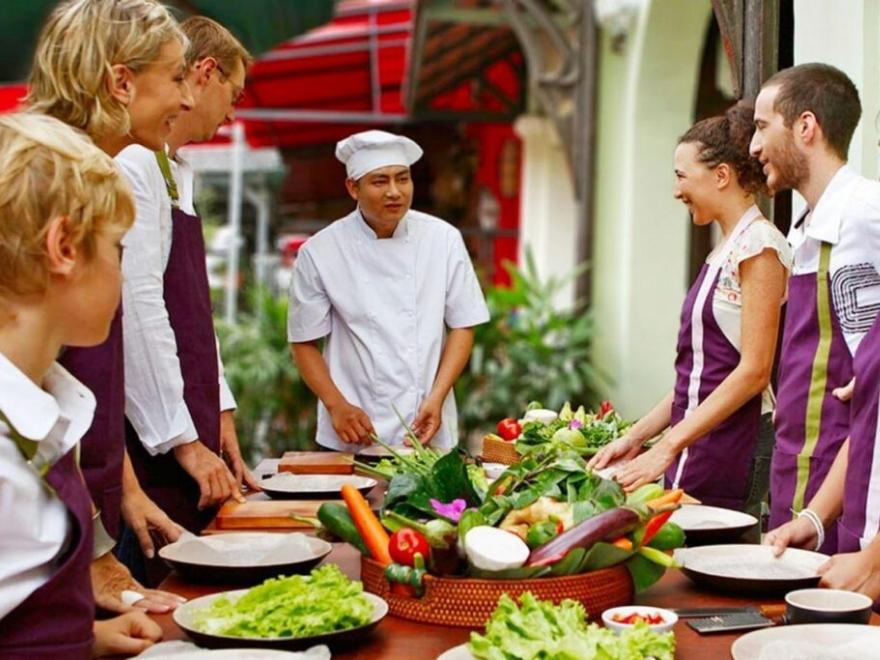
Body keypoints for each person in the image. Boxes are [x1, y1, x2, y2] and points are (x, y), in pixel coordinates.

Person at [27, 0, 192, 611]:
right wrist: (91, 547)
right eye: (176, 77)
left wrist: (122, 490)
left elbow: (73, 378)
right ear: (122, 81)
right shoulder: (43, 183)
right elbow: (26, 389)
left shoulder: (89, 173)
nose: (186, 100)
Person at [0, 112, 162, 659]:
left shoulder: (39, 402)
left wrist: (88, 640)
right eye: (117, 248)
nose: (121, 271)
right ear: (64, 246)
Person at [590, 103, 791, 527]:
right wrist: (637, 437)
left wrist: (667, 447)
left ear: (721, 175)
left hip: (734, 441)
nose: (676, 190)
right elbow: (698, 375)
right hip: (701, 439)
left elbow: (754, 372)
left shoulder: (760, 247)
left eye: (682, 176)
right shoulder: (726, 248)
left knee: (712, 568)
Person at [114, 15, 257, 586]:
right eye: (233, 93)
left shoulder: (175, 169)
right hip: (152, 440)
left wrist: (218, 412)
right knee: (162, 589)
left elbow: (194, 315)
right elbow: (140, 309)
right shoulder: (134, 165)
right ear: (204, 72)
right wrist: (182, 441)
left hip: (188, 423)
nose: (231, 111)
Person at [288, 130, 489, 450]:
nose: (395, 192)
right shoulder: (320, 251)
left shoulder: (443, 239)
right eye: (380, 181)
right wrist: (336, 405)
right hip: (353, 427)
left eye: (403, 179)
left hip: (426, 420)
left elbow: (463, 324)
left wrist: (437, 397)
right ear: (353, 188)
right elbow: (303, 341)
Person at [751, 63, 880, 555]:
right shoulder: (802, 229)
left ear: (806, 126)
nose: (753, 147)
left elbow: (867, 378)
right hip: (797, 478)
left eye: (763, 127)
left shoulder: (865, 211)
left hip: (847, 486)